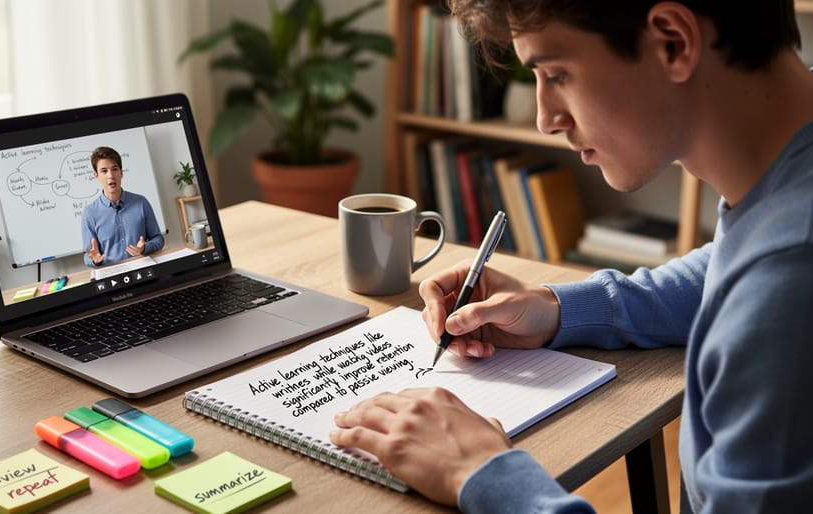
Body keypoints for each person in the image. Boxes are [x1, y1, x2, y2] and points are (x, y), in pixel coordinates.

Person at [329, 1, 813, 512]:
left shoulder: (789, 281)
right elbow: (728, 270)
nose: (545, 119)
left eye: (556, 74)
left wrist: (483, 476)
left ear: (672, 42)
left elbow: (767, 292)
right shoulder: (783, 184)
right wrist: (563, 309)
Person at [81, 146, 164, 267]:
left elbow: (158, 239)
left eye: (114, 169)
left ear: (121, 172)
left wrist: (144, 248)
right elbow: (87, 256)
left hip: (142, 269)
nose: (110, 175)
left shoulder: (141, 203)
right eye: (104, 171)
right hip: (112, 275)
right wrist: (94, 260)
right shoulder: (89, 213)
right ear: (96, 176)